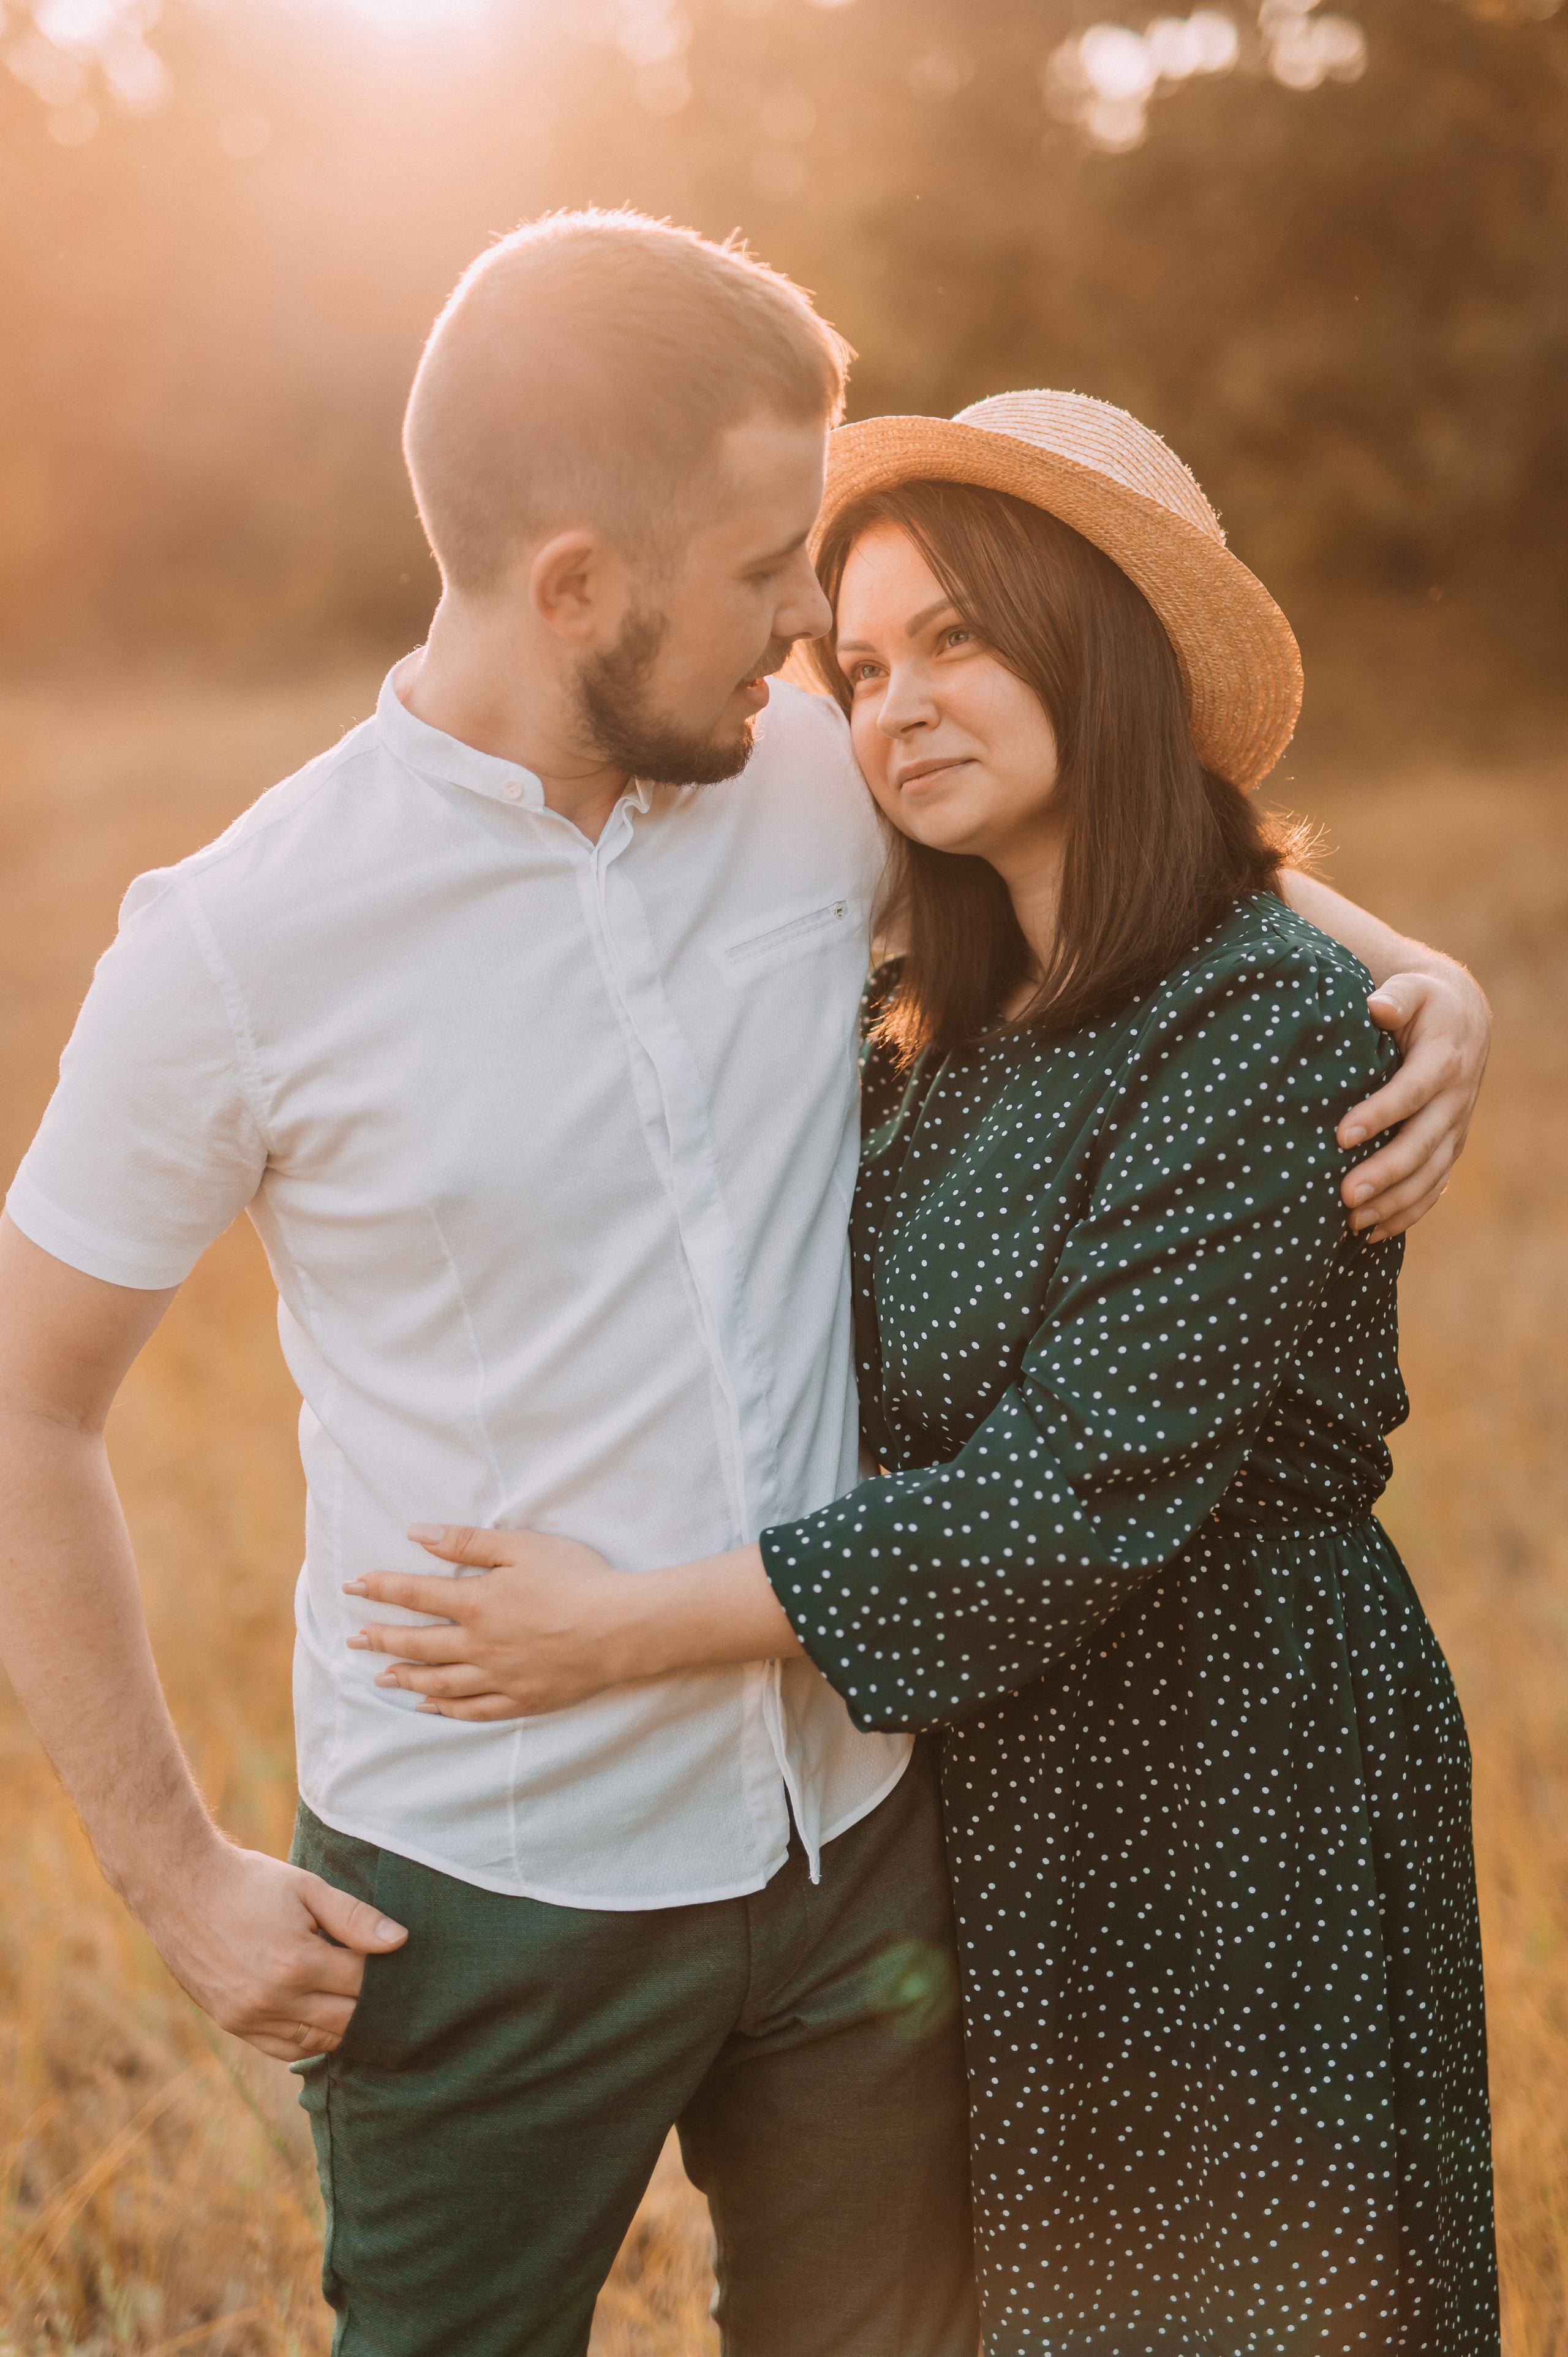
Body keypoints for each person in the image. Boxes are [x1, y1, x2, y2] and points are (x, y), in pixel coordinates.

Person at [0, 209, 1484, 2356]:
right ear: (578, 584)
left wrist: (1418, 973)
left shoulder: (805, 782)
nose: (820, 631)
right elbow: (30, 1401)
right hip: (492, 1889)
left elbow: (1144, 827)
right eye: (782, 569)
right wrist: (180, 1878)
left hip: (861, 1837)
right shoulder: (236, 945)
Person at [350, 393, 1498, 2355]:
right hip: (1001, 1783)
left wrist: (621, 1631)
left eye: (964, 638)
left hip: (1229, 1783)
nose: (898, 706)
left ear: (1102, 646)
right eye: (864, 665)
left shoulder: (1264, 1027)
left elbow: (1060, 1506)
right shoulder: (943, 1014)